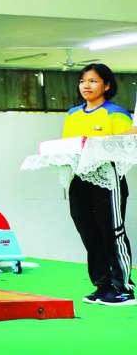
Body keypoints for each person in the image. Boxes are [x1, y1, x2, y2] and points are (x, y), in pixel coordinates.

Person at [62, 63, 135, 306]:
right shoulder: (73, 114)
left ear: (106, 85)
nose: (86, 85)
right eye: (83, 81)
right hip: (79, 179)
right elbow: (68, 146)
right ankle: (102, 285)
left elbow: (127, 146)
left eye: (93, 81)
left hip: (108, 179)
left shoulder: (116, 114)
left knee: (112, 232)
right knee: (89, 232)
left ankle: (123, 288)